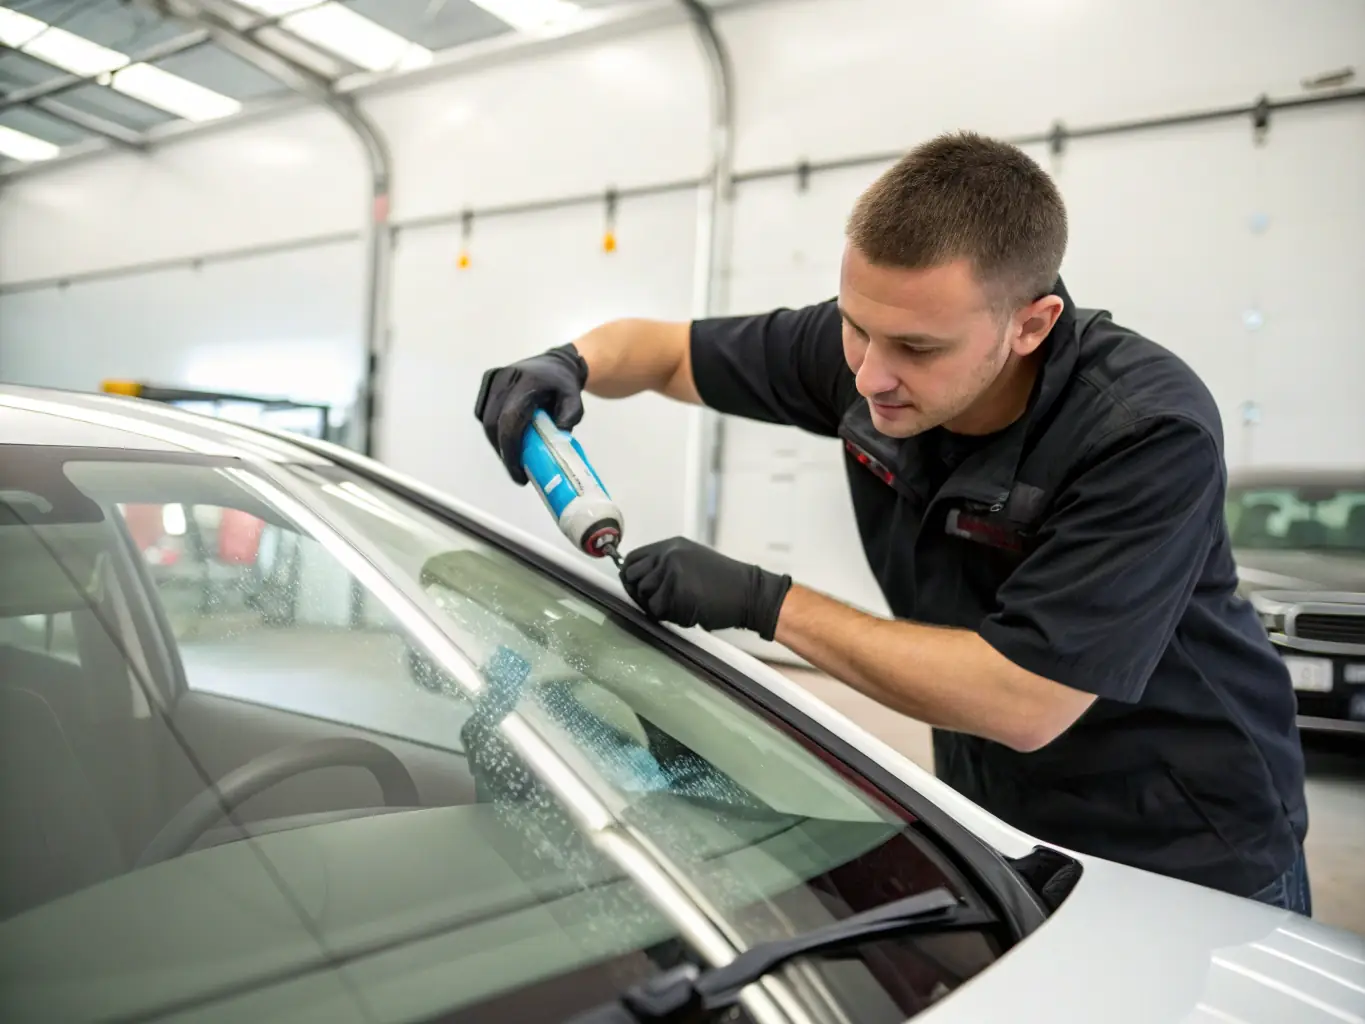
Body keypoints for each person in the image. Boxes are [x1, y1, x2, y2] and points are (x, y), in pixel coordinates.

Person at [474, 131, 1311, 914]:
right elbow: (662, 350)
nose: (871, 376)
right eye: (854, 327)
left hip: (1183, 841)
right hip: (991, 809)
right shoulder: (875, 346)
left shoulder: (1141, 432)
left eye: (916, 348)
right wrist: (568, 362)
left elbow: (1023, 700)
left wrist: (768, 602)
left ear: (1030, 323)